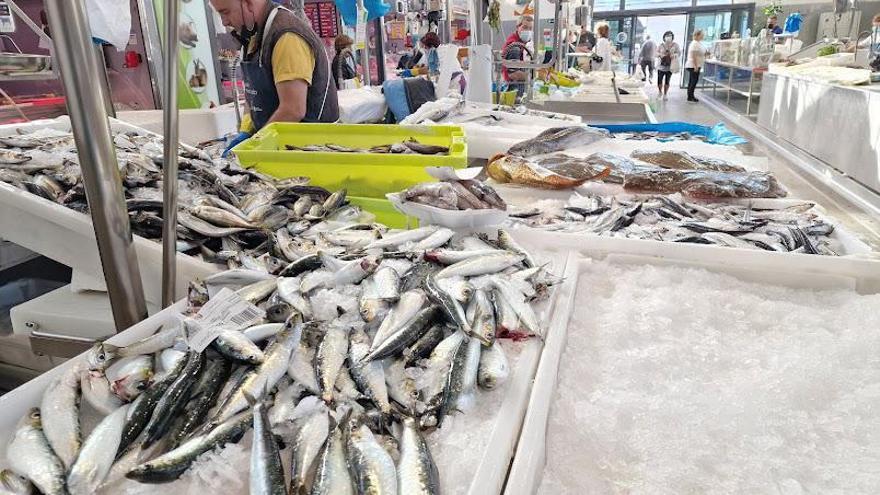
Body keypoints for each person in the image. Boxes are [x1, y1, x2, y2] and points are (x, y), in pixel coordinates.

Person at [213, 0, 339, 156]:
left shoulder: (287, 36)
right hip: (281, 148)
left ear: (249, 3)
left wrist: (254, 145)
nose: (224, 21)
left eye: (225, 12)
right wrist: (246, 130)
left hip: (312, 152)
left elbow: (293, 109)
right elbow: (254, 92)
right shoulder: (253, 34)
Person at [502, 15, 534, 89]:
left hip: (521, 84)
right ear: (517, 27)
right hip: (514, 87)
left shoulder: (524, 42)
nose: (528, 31)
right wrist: (533, 76)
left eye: (530, 28)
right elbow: (513, 74)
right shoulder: (514, 46)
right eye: (525, 27)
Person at [685, 29, 709, 103]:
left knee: (692, 81)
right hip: (693, 65)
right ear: (697, 35)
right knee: (693, 81)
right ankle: (690, 96)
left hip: (696, 64)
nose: (703, 36)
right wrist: (695, 66)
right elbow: (694, 55)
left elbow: (702, 52)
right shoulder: (694, 43)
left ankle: (690, 96)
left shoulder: (699, 43)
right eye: (702, 34)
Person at [656, 30, 680, 101]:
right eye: (667, 36)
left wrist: (674, 55)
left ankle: (665, 94)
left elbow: (679, 53)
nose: (668, 37)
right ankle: (660, 92)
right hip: (661, 66)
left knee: (667, 80)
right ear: (664, 37)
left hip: (670, 66)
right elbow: (656, 53)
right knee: (659, 80)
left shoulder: (675, 45)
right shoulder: (661, 45)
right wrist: (661, 55)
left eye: (670, 36)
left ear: (672, 37)